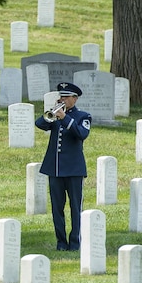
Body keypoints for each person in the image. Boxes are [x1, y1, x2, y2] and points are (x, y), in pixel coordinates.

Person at [34, 82, 92, 251]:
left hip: (74, 169)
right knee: (57, 208)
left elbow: (81, 134)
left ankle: (75, 242)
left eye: (66, 97)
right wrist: (53, 112)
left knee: (75, 207)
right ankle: (61, 242)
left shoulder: (83, 116)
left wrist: (64, 117)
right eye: (61, 96)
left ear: (75, 98)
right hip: (55, 169)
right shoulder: (56, 115)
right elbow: (39, 124)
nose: (62, 99)